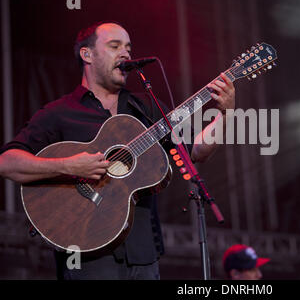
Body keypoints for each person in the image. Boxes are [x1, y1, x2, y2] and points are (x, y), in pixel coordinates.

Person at [0, 21, 235, 279]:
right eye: (115, 46)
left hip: (143, 254)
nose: (125, 54)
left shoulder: (145, 107)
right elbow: (7, 162)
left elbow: (196, 152)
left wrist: (225, 113)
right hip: (86, 255)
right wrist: (68, 166)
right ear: (86, 54)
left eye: (128, 48)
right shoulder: (59, 113)